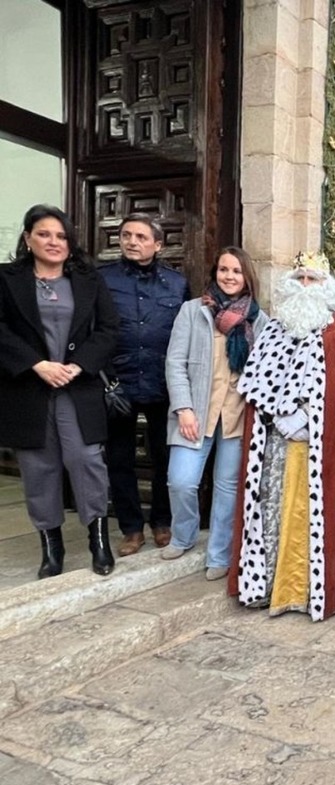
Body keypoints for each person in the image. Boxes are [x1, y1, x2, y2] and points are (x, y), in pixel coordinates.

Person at [231, 252, 335, 619]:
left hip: (317, 448)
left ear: (328, 287)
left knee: (308, 511)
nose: (306, 286)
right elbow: (258, 382)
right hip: (275, 442)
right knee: (272, 507)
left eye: (314, 280)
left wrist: (310, 420)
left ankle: (308, 590)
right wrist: (276, 415)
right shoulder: (274, 328)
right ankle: (271, 584)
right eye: (301, 278)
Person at [0, 204, 119, 577]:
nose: (53, 241)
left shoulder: (88, 279)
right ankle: (51, 547)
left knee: (86, 460)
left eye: (61, 236)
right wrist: (37, 365)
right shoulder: (7, 279)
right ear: (27, 238)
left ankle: (98, 539)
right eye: (44, 234)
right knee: (38, 468)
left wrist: (79, 364)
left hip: (77, 386)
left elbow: (109, 329)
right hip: (29, 388)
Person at [162, 247, 266, 580]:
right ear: (215, 273)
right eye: (224, 269)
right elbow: (175, 362)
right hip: (195, 413)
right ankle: (184, 535)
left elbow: (266, 371)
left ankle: (219, 554)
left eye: (236, 271)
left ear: (247, 276)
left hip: (237, 415)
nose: (229, 276)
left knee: (227, 488)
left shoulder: (259, 319)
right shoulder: (193, 311)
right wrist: (184, 408)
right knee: (181, 481)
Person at [100, 213, 189, 556]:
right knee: (119, 458)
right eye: (126, 236)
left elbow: (187, 332)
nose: (132, 242)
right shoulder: (102, 279)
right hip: (117, 384)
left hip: (162, 382)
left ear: (158, 244)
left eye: (140, 236)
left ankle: (162, 521)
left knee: (165, 455)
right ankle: (131, 528)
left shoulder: (177, 284)